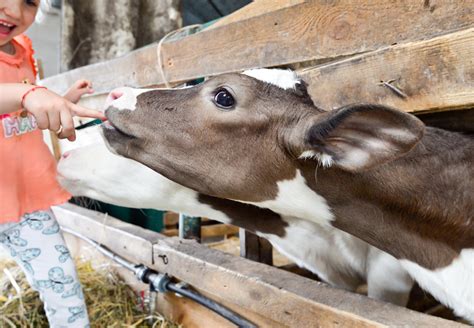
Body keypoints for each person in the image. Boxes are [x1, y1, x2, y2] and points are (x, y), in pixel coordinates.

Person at [0, 1, 105, 326]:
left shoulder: (25, 49)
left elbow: (22, 115)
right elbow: (24, 97)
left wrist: (62, 100)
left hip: (25, 199)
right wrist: (29, 95)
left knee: (60, 279)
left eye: (30, 1)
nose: (14, 10)